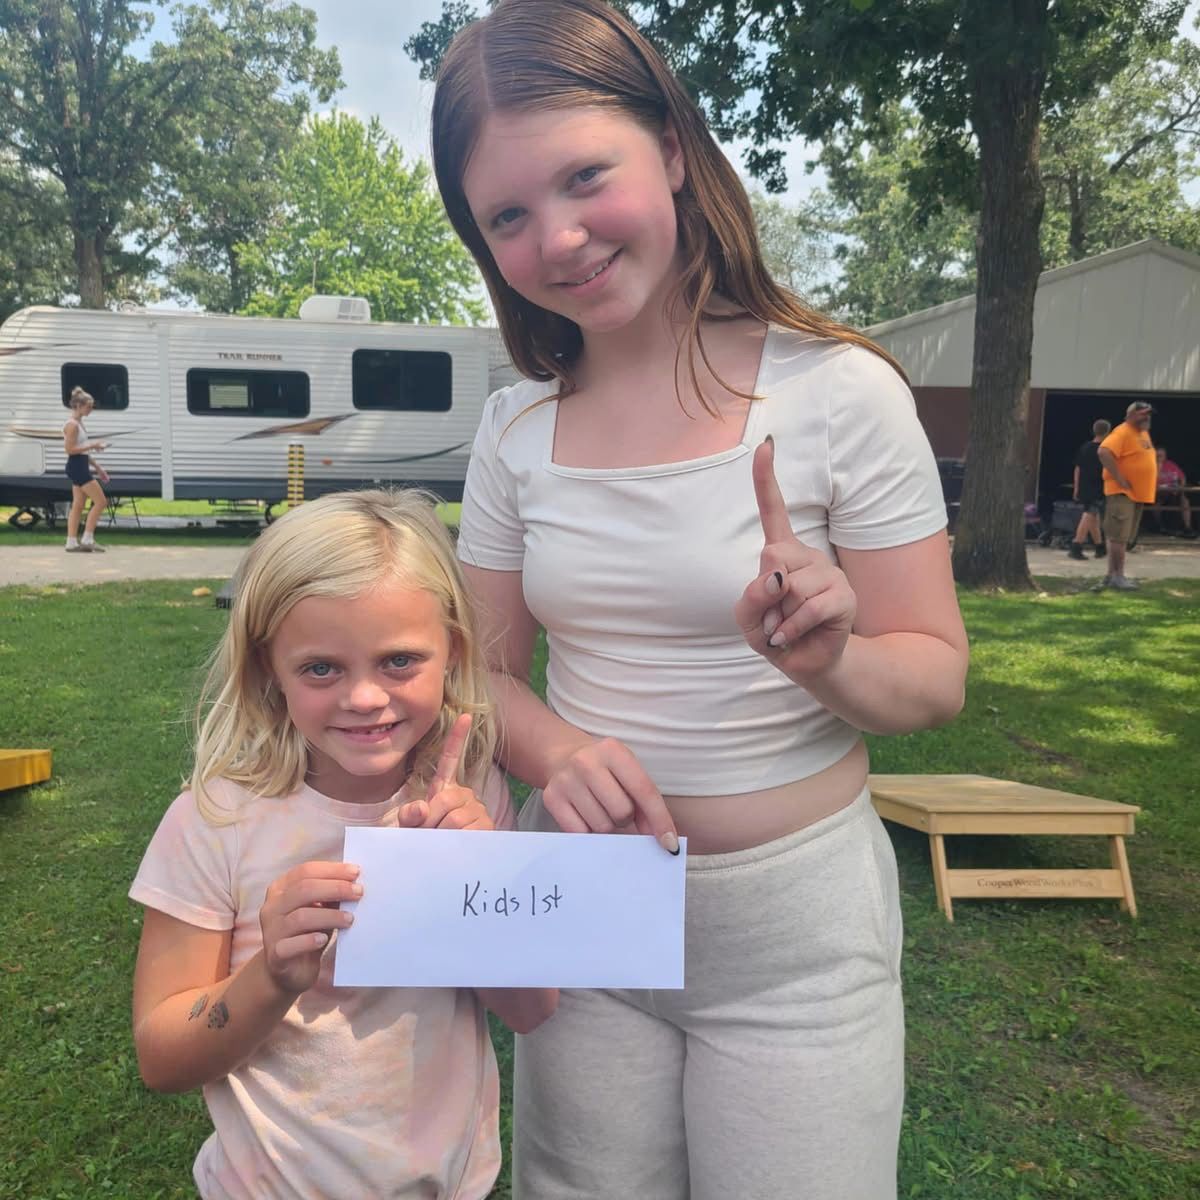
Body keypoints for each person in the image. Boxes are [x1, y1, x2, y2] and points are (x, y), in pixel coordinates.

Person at [431, 3, 969, 1196]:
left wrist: (833, 658)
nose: (558, 238)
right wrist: (558, 752)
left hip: (795, 939)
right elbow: (480, 673)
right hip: (587, 904)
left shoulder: (841, 392)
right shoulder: (513, 427)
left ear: (673, 148)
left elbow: (934, 677)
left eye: (585, 177)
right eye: (507, 216)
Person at [129, 489, 557, 1200]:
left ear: (452, 651)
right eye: (321, 668)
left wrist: (478, 883)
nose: (364, 697)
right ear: (269, 668)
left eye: (399, 661)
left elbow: (531, 1010)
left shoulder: (469, 796)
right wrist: (270, 976)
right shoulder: (215, 819)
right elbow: (162, 1057)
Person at [1099, 401, 1157, 589]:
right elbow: (1103, 451)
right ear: (1130, 414)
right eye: (1143, 414)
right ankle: (1118, 576)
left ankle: (1112, 575)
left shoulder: (1143, 433)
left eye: (1149, 414)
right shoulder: (1122, 432)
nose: (1147, 417)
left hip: (1136, 494)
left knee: (1122, 537)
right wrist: (1120, 478)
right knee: (1119, 537)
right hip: (1122, 493)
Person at [61, 385, 110, 552]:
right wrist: (93, 445)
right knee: (101, 502)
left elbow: (82, 450)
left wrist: (98, 467)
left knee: (78, 505)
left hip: (80, 465)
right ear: (78, 406)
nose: (91, 409)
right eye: (88, 406)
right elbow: (70, 450)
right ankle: (87, 539)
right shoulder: (72, 425)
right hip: (77, 467)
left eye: (91, 406)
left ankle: (71, 542)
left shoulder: (79, 424)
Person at [1068, 418, 1110, 560]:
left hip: (1085, 486)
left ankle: (1099, 547)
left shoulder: (1085, 447)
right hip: (1097, 487)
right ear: (1108, 432)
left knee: (1093, 517)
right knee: (1089, 515)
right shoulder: (1105, 450)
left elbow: (1077, 468)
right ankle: (1076, 545)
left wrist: (1076, 487)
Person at [1154, 446, 1194, 536]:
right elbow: (1153, 481)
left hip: (1175, 491)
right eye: (1158, 455)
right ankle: (1160, 526)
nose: (1160, 457)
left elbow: (1182, 477)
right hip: (1159, 492)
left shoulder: (1171, 464)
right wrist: (1159, 466)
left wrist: (1181, 487)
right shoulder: (1151, 465)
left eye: (1162, 455)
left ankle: (1188, 527)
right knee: (1157, 503)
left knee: (1185, 501)